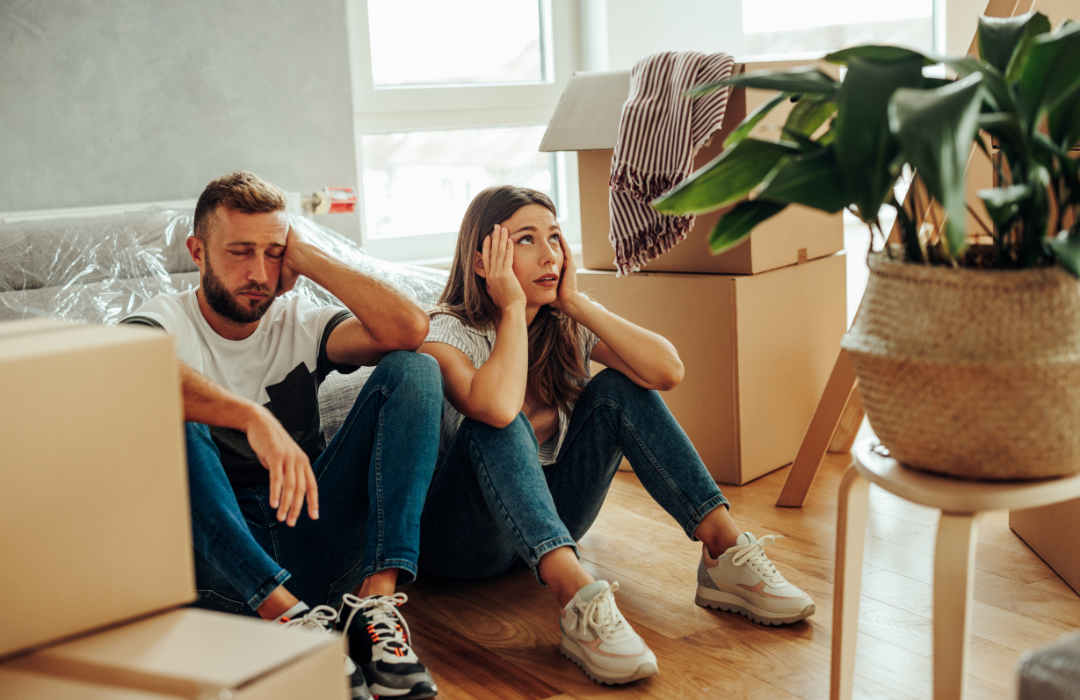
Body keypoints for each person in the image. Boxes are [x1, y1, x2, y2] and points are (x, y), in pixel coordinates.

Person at [417, 185, 814, 686]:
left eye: (555, 238)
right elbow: (495, 406)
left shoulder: (563, 327)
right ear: (483, 261)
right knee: (501, 419)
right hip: (461, 544)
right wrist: (512, 309)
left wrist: (576, 303)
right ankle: (578, 599)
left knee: (619, 386)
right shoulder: (445, 331)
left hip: (553, 524)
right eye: (525, 240)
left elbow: (667, 370)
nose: (549, 255)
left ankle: (723, 552)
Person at [122, 171, 442, 700]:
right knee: (170, 412)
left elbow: (408, 330)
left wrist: (309, 257)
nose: (259, 273)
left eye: (273, 253)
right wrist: (252, 417)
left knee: (416, 370)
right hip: (220, 562)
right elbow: (131, 372)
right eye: (240, 252)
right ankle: (286, 621)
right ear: (197, 252)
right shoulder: (163, 321)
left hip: (311, 533)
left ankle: (375, 604)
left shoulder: (298, 320)